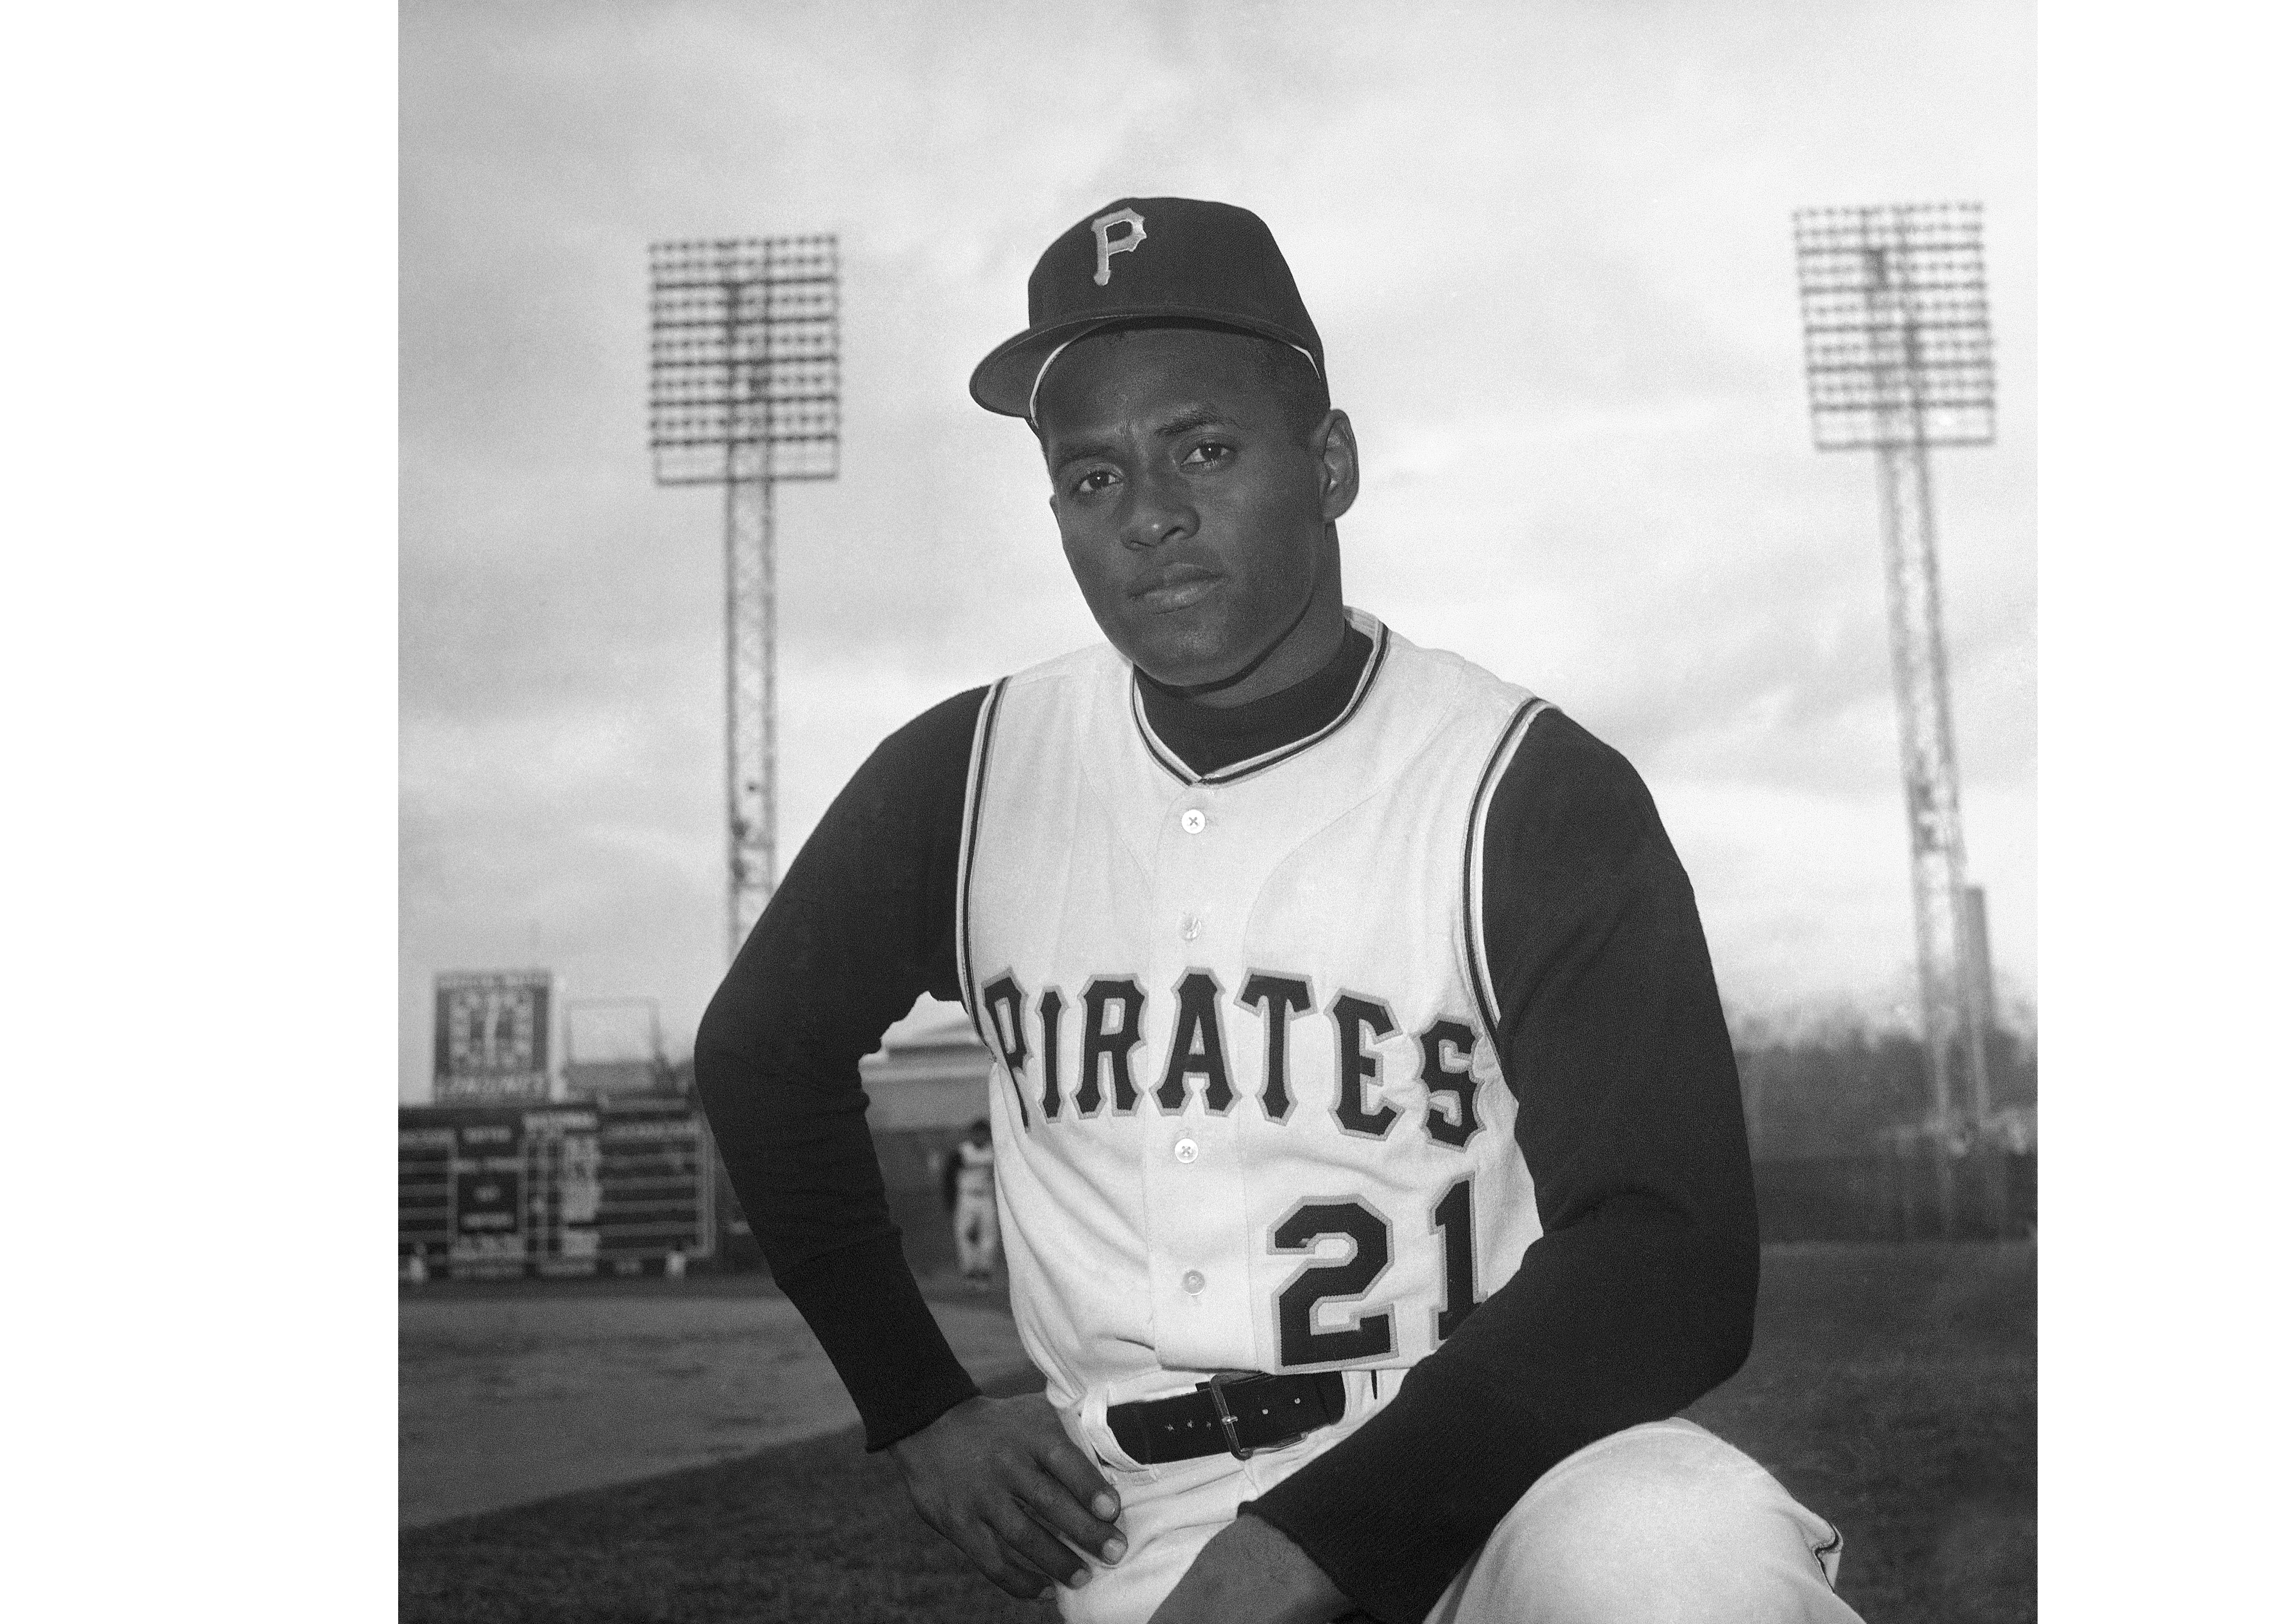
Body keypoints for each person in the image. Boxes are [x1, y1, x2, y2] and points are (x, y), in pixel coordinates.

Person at [696, 197, 1860, 1624]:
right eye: (1093, 477)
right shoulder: (974, 772)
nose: (1154, 516)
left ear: (1331, 464)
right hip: (1143, 1514)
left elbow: (1669, 1249)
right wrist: (918, 1404)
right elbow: (760, 1053)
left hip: (1506, 1472)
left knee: (1683, 1555)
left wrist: (1309, 1541)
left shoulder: (1524, 788)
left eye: (1203, 445)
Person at [940, 1116, 1001, 1283]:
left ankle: (985, 1272)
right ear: (972, 1134)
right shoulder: (963, 1152)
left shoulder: (994, 1152)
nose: (980, 1137)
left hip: (986, 1197)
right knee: (965, 1234)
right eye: (977, 1133)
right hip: (966, 1197)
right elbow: (949, 1177)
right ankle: (970, 1272)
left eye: (984, 1133)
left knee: (989, 1235)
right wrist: (951, 1200)